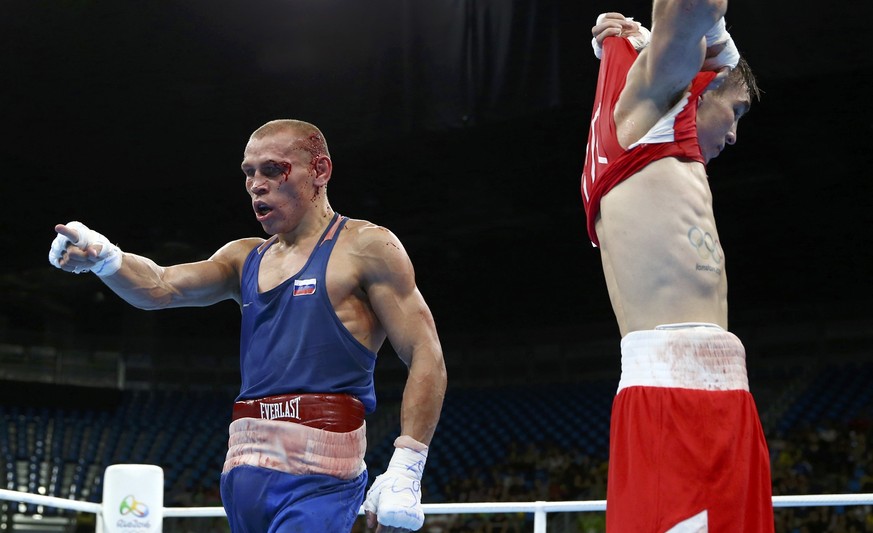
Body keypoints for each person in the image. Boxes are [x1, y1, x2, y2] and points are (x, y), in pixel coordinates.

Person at [48, 119, 447, 533]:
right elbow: (161, 286)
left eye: (272, 169)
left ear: (320, 171)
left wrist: (407, 463)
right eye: (248, 173)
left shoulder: (366, 247)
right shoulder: (244, 257)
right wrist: (104, 257)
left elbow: (425, 352)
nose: (256, 184)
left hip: (321, 479)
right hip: (243, 474)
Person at [581, 2, 773, 532]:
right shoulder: (646, 111)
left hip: (710, 397)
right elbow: (696, 6)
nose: (733, 134)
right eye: (734, 110)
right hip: (679, 405)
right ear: (699, 85)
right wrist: (714, 40)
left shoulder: (638, 124)